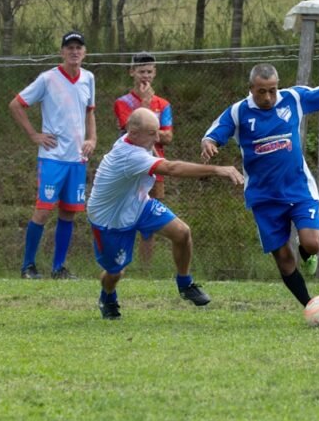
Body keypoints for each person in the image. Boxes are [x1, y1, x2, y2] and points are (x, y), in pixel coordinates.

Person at [201, 63, 319, 307]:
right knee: (284, 259)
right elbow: (214, 133)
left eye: (272, 90)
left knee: (312, 243)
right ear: (251, 89)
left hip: (298, 189)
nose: (268, 97)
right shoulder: (239, 112)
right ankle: (311, 306)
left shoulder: (293, 98)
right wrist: (208, 143)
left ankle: (307, 253)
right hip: (263, 197)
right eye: (262, 91)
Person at [87, 108, 243, 319]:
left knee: (182, 232)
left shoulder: (138, 141)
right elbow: (171, 169)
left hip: (139, 204)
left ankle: (185, 284)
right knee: (115, 273)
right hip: (110, 221)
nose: (158, 137)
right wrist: (217, 170)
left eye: (157, 131)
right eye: (152, 133)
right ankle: (107, 296)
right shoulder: (128, 155)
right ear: (133, 133)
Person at [8, 30, 97, 280]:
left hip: (77, 158)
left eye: (79, 47)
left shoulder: (88, 78)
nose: (74, 51)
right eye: (70, 47)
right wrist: (34, 135)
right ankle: (28, 266)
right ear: (62, 51)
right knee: (43, 210)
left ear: (84, 52)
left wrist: (92, 139)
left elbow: (90, 112)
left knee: (68, 212)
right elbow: (16, 104)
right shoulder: (48, 79)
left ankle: (59, 268)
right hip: (52, 157)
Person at [114, 52, 173, 269]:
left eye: (149, 72)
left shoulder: (164, 104)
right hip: (129, 168)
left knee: (149, 220)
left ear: (155, 73)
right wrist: (147, 106)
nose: (145, 77)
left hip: (155, 167)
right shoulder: (123, 103)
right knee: (126, 214)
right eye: (141, 72)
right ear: (132, 73)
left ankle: (145, 269)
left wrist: (150, 129)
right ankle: (122, 263)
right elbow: (129, 131)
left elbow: (167, 136)